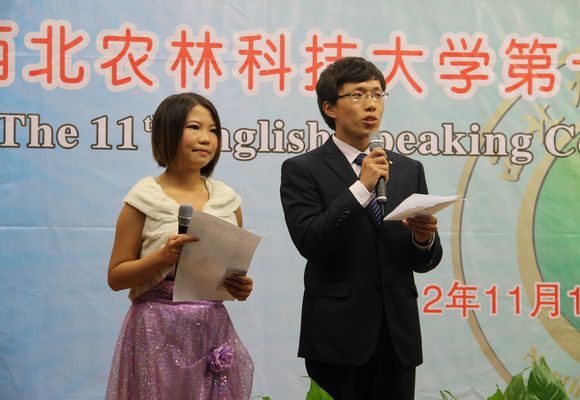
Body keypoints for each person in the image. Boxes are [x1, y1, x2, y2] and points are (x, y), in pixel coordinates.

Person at [280, 57, 443, 399]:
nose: (371, 104)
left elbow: (424, 261)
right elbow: (311, 242)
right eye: (357, 94)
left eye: (378, 94)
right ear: (330, 107)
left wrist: (424, 238)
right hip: (337, 336)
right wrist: (361, 187)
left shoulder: (408, 169)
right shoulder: (302, 169)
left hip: (397, 335)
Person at [105, 93, 254, 400]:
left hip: (210, 328)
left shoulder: (227, 201)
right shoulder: (143, 198)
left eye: (213, 130)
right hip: (155, 329)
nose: (206, 139)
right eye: (194, 127)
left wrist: (239, 287)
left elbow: (228, 273)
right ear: (168, 132)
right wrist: (162, 257)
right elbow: (116, 277)